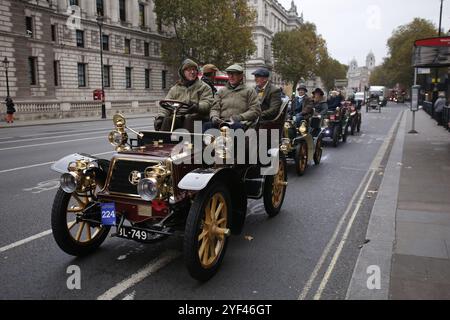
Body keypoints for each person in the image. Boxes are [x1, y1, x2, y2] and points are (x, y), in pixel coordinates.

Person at [154, 59, 213, 132]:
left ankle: (188, 142)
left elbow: (207, 102)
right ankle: (164, 141)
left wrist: (197, 106)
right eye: (189, 70)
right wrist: (160, 117)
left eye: (194, 69)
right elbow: (166, 105)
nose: (192, 72)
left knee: (189, 119)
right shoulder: (175, 89)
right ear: (183, 73)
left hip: (197, 116)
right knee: (167, 120)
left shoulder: (204, 87)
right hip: (178, 116)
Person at [205, 63, 261, 131]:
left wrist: (240, 117)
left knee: (236, 128)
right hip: (222, 122)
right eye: (229, 74)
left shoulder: (250, 91)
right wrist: (214, 117)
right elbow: (215, 108)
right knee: (207, 126)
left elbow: (255, 110)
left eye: (234, 74)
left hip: (240, 122)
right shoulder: (221, 91)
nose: (231, 76)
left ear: (240, 76)